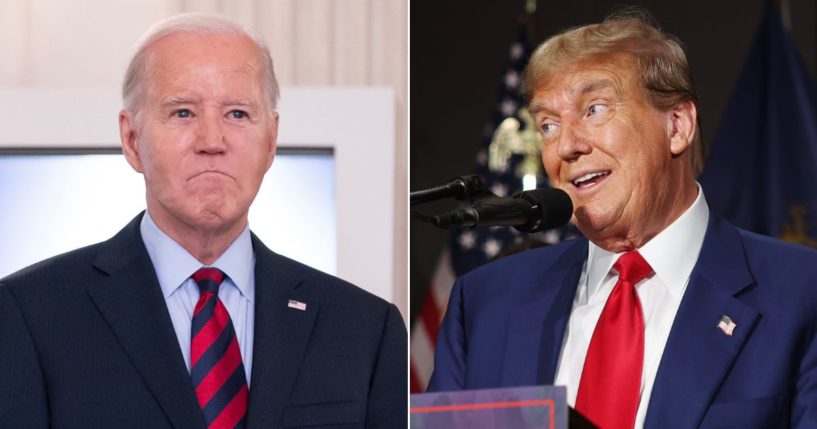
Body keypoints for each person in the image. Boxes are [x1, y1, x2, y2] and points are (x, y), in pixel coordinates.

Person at [0, 14, 406, 429]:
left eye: (237, 114)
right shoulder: (30, 315)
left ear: (271, 140)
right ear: (132, 139)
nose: (212, 142)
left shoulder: (365, 329)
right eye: (182, 113)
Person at [427, 9, 817, 429]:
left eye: (594, 109)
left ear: (678, 126)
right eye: (548, 125)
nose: (567, 147)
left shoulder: (800, 294)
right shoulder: (486, 304)